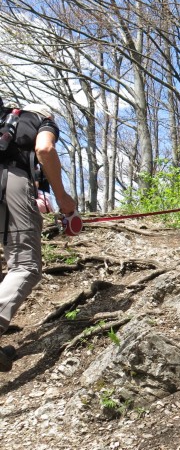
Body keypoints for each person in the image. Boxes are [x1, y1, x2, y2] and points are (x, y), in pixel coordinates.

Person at [0, 99, 76, 371]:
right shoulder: (39, 118)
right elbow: (44, 148)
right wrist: (63, 197)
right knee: (25, 266)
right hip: (10, 182)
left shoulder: (6, 117)